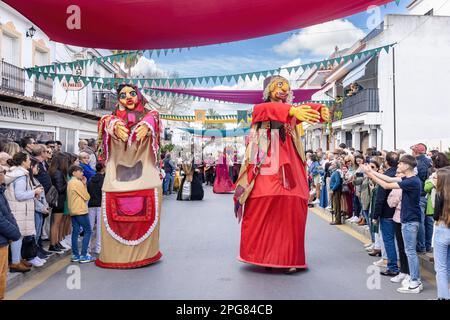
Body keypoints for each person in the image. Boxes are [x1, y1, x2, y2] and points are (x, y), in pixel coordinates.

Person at [234, 75, 329, 273]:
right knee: (262, 204)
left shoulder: (291, 113)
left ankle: (288, 257)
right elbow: (267, 110)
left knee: (294, 203)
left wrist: (320, 111)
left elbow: (304, 110)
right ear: (268, 90)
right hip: (267, 160)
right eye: (279, 86)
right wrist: (292, 110)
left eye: (287, 86)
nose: (284, 90)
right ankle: (262, 255)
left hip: (290, 161)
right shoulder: (261, 109)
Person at [96, 83, 162, 269]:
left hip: (145, 179)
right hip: (116, 181)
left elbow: (154, 117)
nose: (128, 98)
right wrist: (114, 124)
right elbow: (105, 121)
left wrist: (148, 125)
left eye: (132, 93)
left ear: (139, 96)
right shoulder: (110, 118)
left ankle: (145, 253)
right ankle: (115, 255)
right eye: (123, 95)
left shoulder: (151, 115)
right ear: (118, 99)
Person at [363, 155, 424, 293]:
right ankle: (412, 278)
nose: (398, 165)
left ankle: (414, 281)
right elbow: (389, 179)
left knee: (410, 251)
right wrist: (371, 172)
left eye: (401, 163)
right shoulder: (409, 179)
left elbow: (385, 185)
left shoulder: (412, 182)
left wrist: (369, 174)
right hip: (408, 219)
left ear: (407, 166)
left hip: (410, 221)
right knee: (407, 251)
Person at [4, 152, 44, 270]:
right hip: (19, 210)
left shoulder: (16, 173)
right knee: (18, 236)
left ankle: (18, 259)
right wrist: (34, 192)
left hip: (17, 209)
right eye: (28, 160)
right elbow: (20, 195)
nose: (30, 162)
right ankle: (16, 262)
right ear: (23, 162)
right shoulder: (21, 176)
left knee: (18, 236)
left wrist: (32, 193)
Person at [371, 152, 399, 276]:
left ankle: (392, 266)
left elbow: (380, 198)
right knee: (398, 241)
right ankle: (399, 264)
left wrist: (375, 215)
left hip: (387, 213)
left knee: (388, 240)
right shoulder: (400, 176)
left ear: (386, 162)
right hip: (399, 213)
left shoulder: (386, 176)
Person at [0, 165, 21, 299]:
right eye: (3, 172)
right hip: (1, 239)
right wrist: (15, 233)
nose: (5, 174)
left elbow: (7, 214)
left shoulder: (1, 191)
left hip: (3, 238)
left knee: (3, 272)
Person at [67, 165, 94, 263]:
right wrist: (84, 184)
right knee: (88, 231)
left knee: (75, 232)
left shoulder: (70, 182)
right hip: (80, 210)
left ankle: (75, 255)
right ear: (74, 172)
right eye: (80, 171)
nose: (82, 173)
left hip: (73, 210)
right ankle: (83, 255)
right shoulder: (77, 183)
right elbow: (87, 197)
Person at [387, 172, 410, 285]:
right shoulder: (408, 183)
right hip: (399, 218)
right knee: (403, 248)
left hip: (402, 218)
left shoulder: (401, 185)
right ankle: (405, 272)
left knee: (406, 249)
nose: (396, 174)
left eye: (399, 173)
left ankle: (409, 274)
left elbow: (391, 202)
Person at [29, 158, 52, 261]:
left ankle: (37, 251)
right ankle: (33, 254)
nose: (38, 168)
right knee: (34, 234)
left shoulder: (35, 179)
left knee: (37, 233)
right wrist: (42, 207)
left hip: (41, 208)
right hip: (36, 209)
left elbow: (40, 195)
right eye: (36, 166)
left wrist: (45, 205)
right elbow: (32, 198)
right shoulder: (29, 180)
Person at [411, 143, 432, 254]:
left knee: (421, 221)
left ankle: (421, 246)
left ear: (416, 152)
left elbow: (421, 179)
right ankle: (428, 245)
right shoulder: (430, 161)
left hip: (420, 195)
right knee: (429, 221)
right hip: (430, 194)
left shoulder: (416, 163)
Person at [433, 167, 450, 300]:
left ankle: (443, 297)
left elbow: (435, 215)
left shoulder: (439, 194)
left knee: (441, 267)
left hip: (442, 228)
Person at [48, 152, 69, 254]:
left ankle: (56, 242)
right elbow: (59, 188)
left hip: (59, 200)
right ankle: (53, 244)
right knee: (56, 224)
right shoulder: (58, 173)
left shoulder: (55, 171)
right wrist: (67, 184)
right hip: (59, 200)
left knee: (56, 223)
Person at [87, 163, 105, 255]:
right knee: (99, 227)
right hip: (100, 204)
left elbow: (88, 190)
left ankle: (88, 247)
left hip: (91, 203)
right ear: (103, 169)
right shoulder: (104, 180)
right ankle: (98, 248)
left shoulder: (90, 179)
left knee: (89, 226)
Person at [329, 160, 343, 225]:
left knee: (337, 205)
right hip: (334, 189)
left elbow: (338, 182)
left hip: (336, 190)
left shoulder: (337, 172)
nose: (332, 165)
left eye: (333, 164)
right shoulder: (334, 171)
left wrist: (333, 189)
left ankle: (338, 220)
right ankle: (336, 219)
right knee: (335, 205)